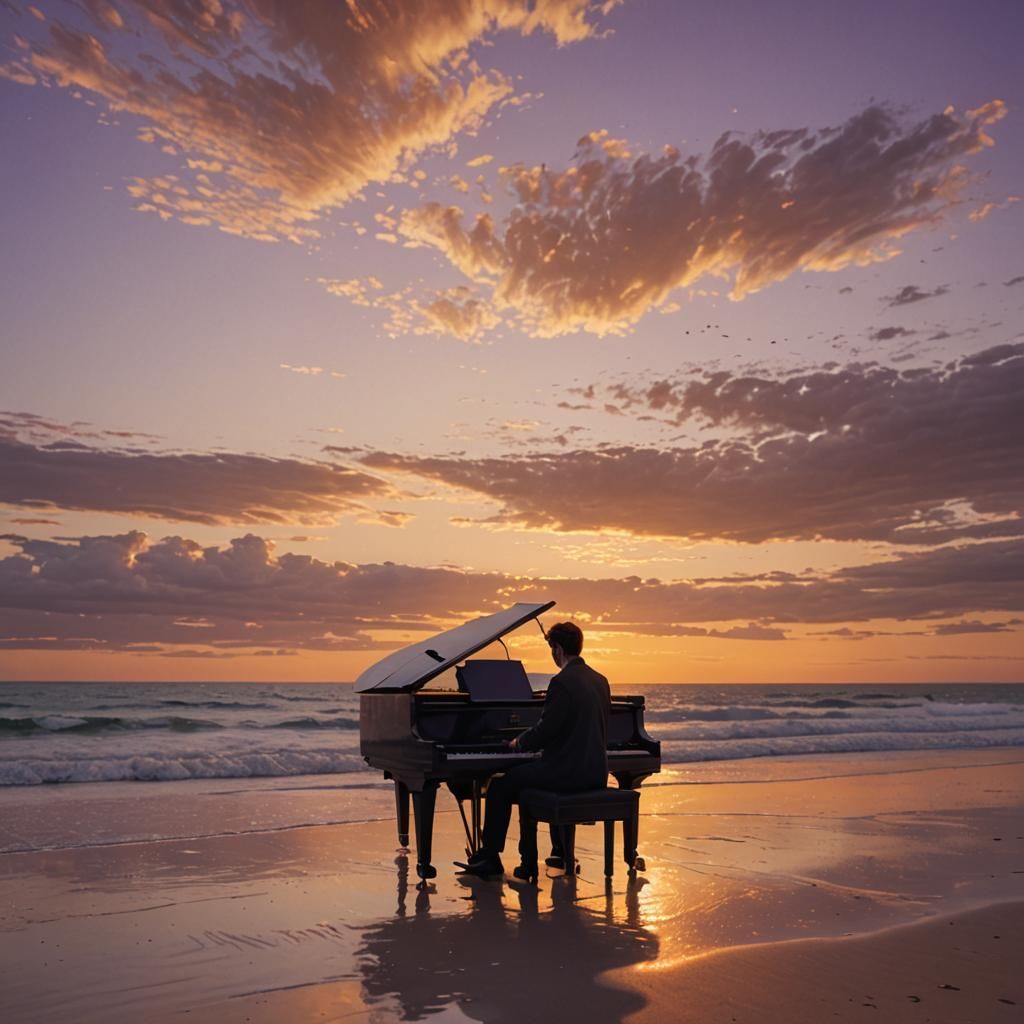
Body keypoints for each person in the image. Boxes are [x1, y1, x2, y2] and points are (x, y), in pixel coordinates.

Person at [456, 621, 610, 879]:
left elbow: (546, 730)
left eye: (552, 649)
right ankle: (550, 853)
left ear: (558, 650)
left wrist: (519, 743)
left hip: (566, 774)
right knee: (523, 780)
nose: (552, 654)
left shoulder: (561, 682)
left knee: (500, 786)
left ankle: (491, 857)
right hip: (594, 773)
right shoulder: (600, 680)